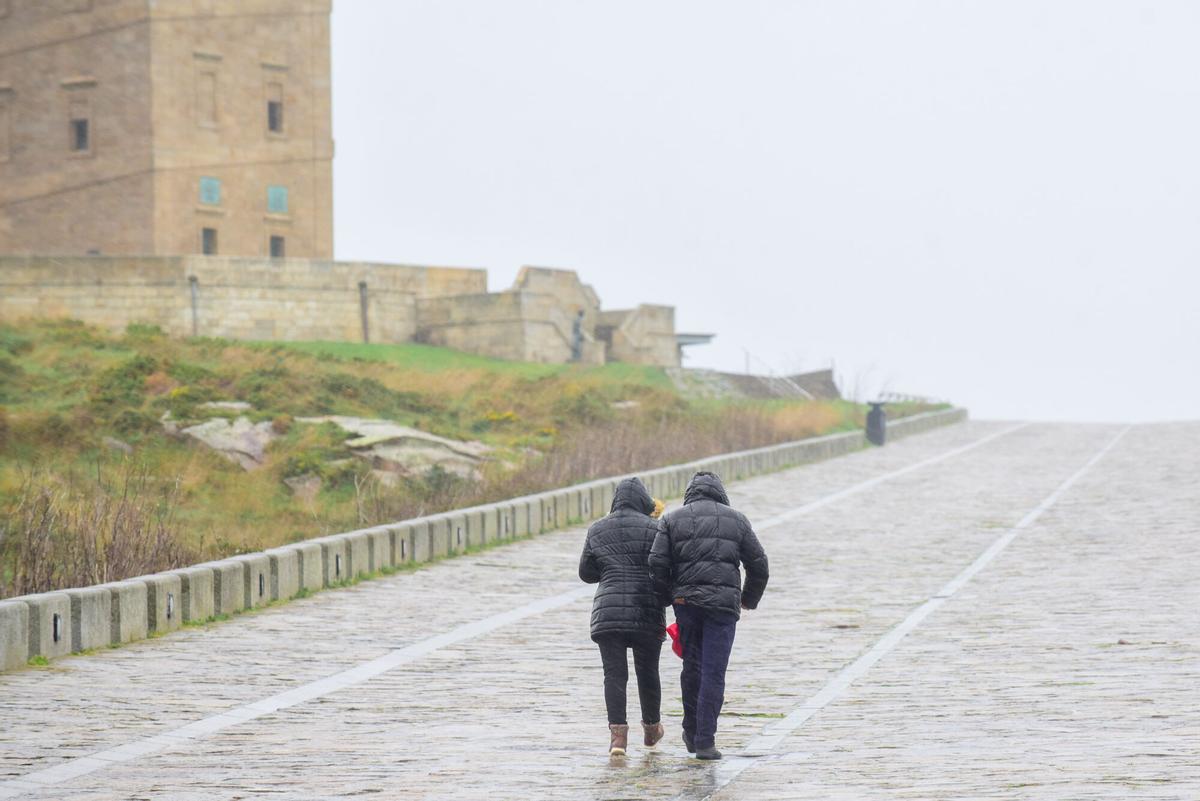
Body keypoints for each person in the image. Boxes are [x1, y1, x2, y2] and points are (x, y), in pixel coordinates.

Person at [649, 471, 769, 760]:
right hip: (723, 609)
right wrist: (746, 600)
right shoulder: (737, 520)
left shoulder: (671, 519)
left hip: (686, 604)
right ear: (720, 492)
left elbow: (656, 563)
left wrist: (670, 596)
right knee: (714, 671)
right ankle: (705, 741)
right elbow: (759, 564)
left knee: (692, 667)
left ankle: (690, 732)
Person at [579, 477, 668, 756]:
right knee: (648, 671)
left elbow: (586, 573)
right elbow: (665, 567)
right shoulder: (656, 528)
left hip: (609, 613)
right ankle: (652, 730)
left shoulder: (597, 529)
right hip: (647, 609)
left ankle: (618, 738)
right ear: (645, 501)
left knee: (614, 674)